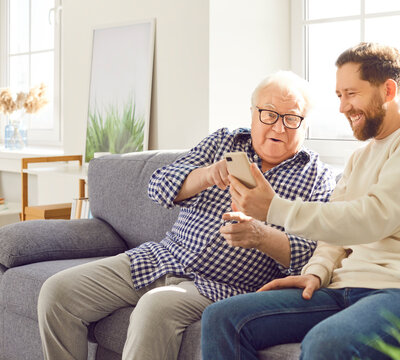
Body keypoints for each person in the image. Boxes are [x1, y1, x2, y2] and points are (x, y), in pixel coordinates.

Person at [37, 70, 336, 360]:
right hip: (160, 259)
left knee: (154, 308)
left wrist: (260, 236)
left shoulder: (318, 178)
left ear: (305, 124)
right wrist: (207, 174)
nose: (279, 127)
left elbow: (309, 255)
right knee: (57, 293)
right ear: (252, 113)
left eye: (292, 118)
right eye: (269, 114)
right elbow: (159, 186)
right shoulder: (224, 142)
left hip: (225, 287)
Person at [201, 42, 400, 360]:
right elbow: (337, 228)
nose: (343, 107)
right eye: (339, 96)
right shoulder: (360, 157)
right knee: (222, 318)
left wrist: (274, 208)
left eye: (351, 93)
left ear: (388, 90)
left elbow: (372, 218)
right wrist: (316, 272)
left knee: (326, 344)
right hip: (344, 288)